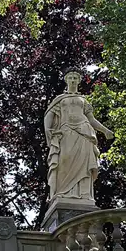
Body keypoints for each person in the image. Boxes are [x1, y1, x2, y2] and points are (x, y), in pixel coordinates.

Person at [44, 68, 114, 201]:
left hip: (84, 132)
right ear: (66, 80)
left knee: (84, 164)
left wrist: (105, 131)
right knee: (64, 161)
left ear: (79, 81)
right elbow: (49, 115)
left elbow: (91, 119)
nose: (73, 80)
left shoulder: (83, 100)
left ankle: (84, 194)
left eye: (75, 78)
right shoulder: (59, 99)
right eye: (70, 77)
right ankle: (62, 192)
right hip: (66, 132)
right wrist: (48, 130)